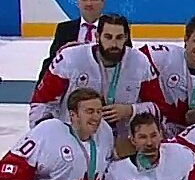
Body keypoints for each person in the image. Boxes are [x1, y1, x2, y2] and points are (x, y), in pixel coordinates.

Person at [30, 14, 168, 142]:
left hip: (120, 144)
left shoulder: (140, 62)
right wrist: (44, 138)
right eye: (108, 37)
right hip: (73, 140)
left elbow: (159, 107)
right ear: (97, 36)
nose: (114, 44)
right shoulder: (70, 59)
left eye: (119, 37)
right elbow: (42, 103)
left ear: (126, 37)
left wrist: (131, 110)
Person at [138, 17, 195, 137]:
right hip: (160, 130)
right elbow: (136, 57)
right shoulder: (167, 55)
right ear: (186, 40)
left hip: (194, 135)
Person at [38, 0, 130, 80]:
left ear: (103, 2)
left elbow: (127, 60)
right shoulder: (64, 29)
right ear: (78, 2)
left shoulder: (115, 28)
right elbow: (51, 62)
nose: (88, 3)